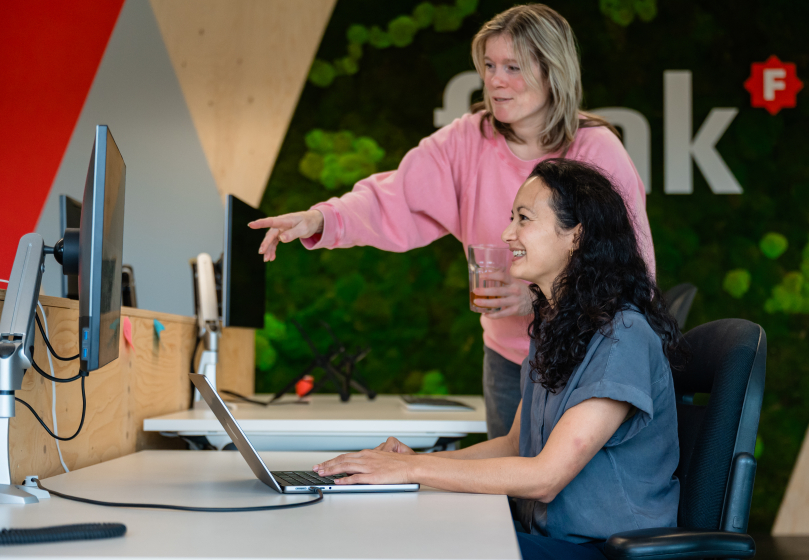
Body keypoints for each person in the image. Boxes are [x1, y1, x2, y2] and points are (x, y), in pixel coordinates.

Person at [249, 4, 654, 440]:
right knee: (510, 498)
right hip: (507, 357)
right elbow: (394, 195)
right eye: (489, 66)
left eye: (512, 67)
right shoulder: (468, 139)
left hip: (586, 357)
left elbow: (631, 275)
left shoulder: (597, 151)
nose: (495, 80)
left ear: (552, 70)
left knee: (567, 494)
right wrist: (320, 219)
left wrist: (540, 296)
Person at [312, 159, 682, 560]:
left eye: (524, 218)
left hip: (604, 552)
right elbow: (513, 445)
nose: (507, 234)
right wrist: (419, 463)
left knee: (419, 544)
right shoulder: (559, 327)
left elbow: (545, 477)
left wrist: (411, 472)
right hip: (552, 539)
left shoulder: (622, 336)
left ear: (577, 235)